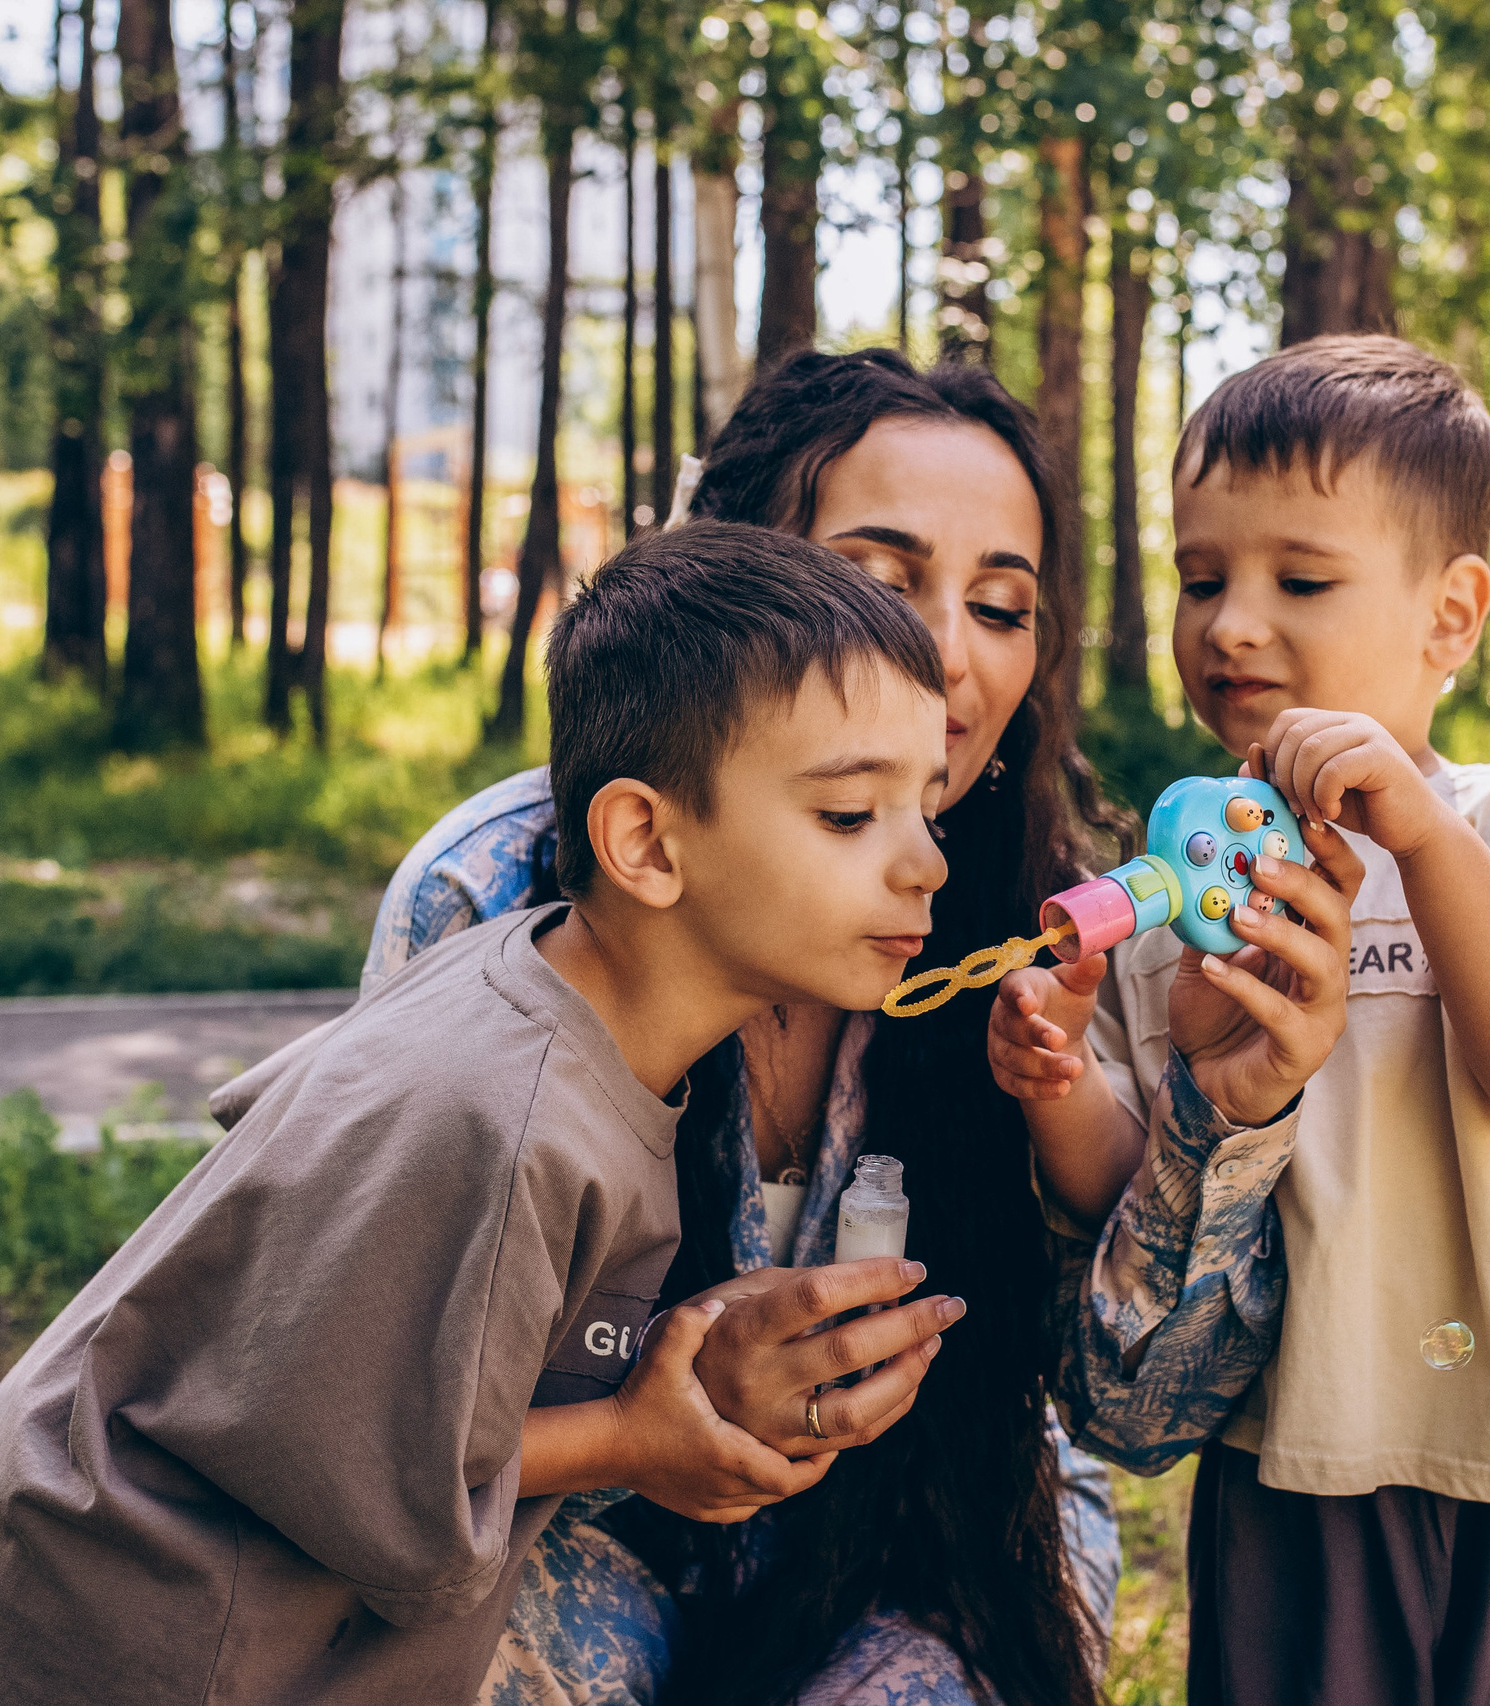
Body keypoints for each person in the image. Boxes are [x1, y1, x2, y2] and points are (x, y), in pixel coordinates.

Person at [0, 522, 970, 1705]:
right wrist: (638, 1435)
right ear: (643, 839)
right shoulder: (509, 1114)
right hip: (128, 1643)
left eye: (927, 807)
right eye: (850, 816)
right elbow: (384, 1472)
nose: (925, 866)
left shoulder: (542, 998)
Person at [372, 350, 1140, 1706]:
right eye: (882, 578)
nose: (949, 657)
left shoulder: (1048, 920)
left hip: (920, 1535)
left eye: (1003, 604)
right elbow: (366, 1400)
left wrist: (1227, 1111)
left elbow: (1128, 1393)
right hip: (563, 1518)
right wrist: (635, 1434)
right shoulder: (497, 899)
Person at [993, 335, 1490, 1704]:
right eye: (1202, 579)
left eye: (1299, 579)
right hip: (1295, 1462)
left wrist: (1424, 839)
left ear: (1451, 617)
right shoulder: (1178, 883)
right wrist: (1053, 1083)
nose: (1231, 623)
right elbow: (1139, 1188)